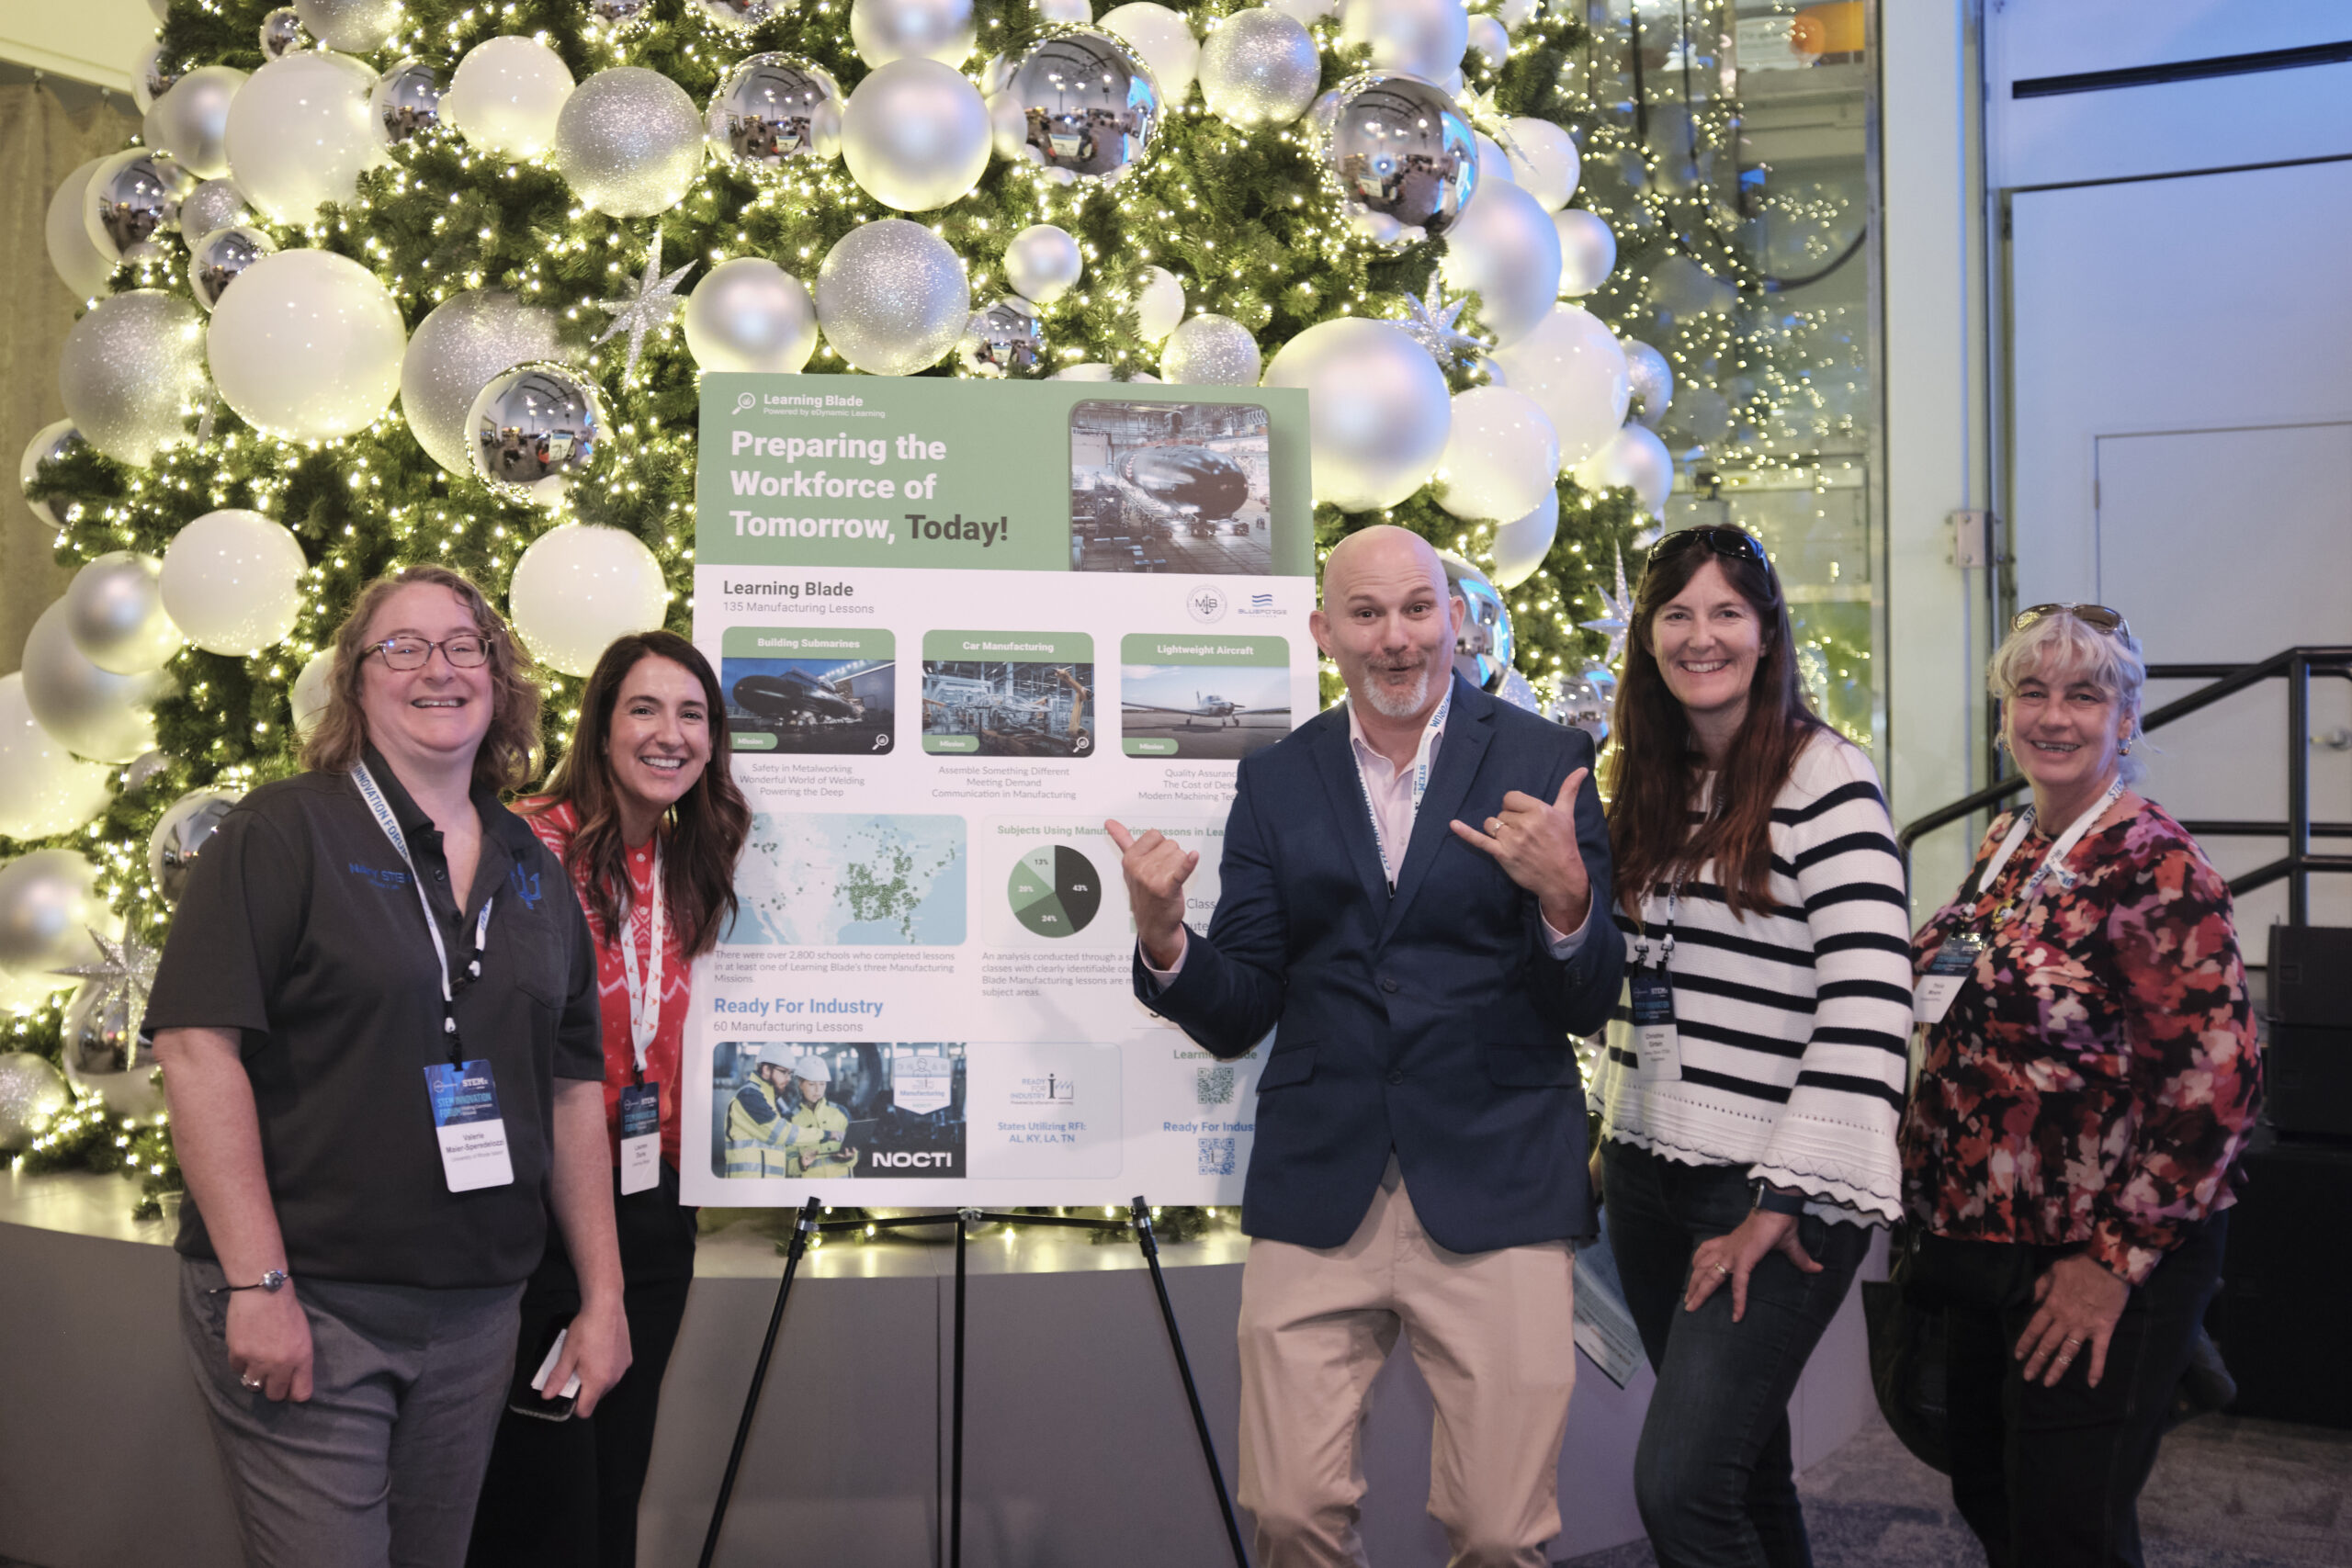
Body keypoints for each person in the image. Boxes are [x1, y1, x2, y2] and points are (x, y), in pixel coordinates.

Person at [1109, 525, 1623, 1568]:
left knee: (1498, 1530)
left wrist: (1567, 899)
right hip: (1320, 1183)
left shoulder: (1544, 761)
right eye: (1367, 614)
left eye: (1418, 609)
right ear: (1323, 632)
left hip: (1500, 1178)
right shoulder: (1278, 780)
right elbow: (1241, 1005)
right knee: (1290, 1514)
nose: (1398, 640)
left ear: (1452, 617)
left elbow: (1588, 998)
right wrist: (1164, 937)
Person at [146, 565, 628, 1568]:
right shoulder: (281, 833)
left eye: (464, 647)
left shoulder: (534, 871)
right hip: (313, 1303)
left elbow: (574, 1090)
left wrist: (604, 1297)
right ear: (354, 682)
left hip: (475, 1315)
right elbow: (197, 1049)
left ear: (500, 681)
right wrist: (258, 1282)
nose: (437, 669)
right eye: (400, 647)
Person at [1902, 604, 2260, 1568]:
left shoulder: (2156, 865)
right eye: (2031, 691)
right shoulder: (2011, 841)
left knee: (2066, 1523)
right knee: (1988, 1484)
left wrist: (2109, 1265)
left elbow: (2218, 1090)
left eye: (2083, 695)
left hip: (2102, 1254)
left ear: (2127, 718)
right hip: (1990, 1243)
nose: (2052, 717)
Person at [1587, 525, 1912, 1568]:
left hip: (1772, 1188)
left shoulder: (1826, 778)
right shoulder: (1644, 782)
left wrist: (1780, 1201)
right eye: (1675, 614)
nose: (1700, 636)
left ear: (1767, 633)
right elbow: (1633, 982)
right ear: (1646, 638)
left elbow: (1870, 999)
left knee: (1679, 1489)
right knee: (1742, 1472)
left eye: (1726, 611)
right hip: (1645, 1171)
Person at [468, 629, 751, 1568]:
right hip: (541, 1212)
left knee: (615, 1476)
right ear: (600, 725)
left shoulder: (681, 860)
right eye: (644, 708)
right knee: (539, 1488)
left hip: (652, 1202)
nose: (669, 734)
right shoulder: (520, 848)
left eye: (692, 715)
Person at [723, 1043, 829, 1179]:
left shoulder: (769, 1099)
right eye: (784, 1072)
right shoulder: (749, 1096)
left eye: (790, 1073)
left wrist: (801, 1163)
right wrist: (823, 1134)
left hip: (766, 1187)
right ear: (766, 1069)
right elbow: (780, 1133)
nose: (789, 1078)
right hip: (747, 1188)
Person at [785, 1055, 858, 1179]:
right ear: (800, 1084)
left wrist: (849, 1157)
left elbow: (856, 1154)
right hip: (812, 1191)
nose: (818, 1090)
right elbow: (788, 1166)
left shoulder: (840, 1113)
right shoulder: (791, 1120)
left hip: (840, 1189)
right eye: (812, 1084)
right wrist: (801, 1163)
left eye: (822, 1084)